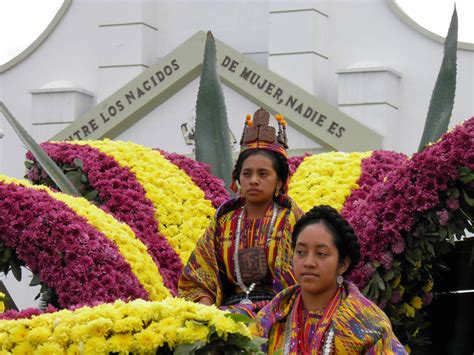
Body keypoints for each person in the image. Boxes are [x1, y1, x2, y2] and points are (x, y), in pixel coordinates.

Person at [178, 108, 303, 312]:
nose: (253, 180)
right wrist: (207, 315)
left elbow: (306, 280)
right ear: (238, 179)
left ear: (279, 182)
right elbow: (200, 276)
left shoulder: (290, 219)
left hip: (281, 313)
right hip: (228, 314)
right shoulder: (224, 220)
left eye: (263, 174)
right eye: (247, 174)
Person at [253, 205, 407, 354]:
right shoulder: (271, 317)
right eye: (301, 252)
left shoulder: (368, 323)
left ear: (342, 264)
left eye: (321, 254)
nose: (308, 262)